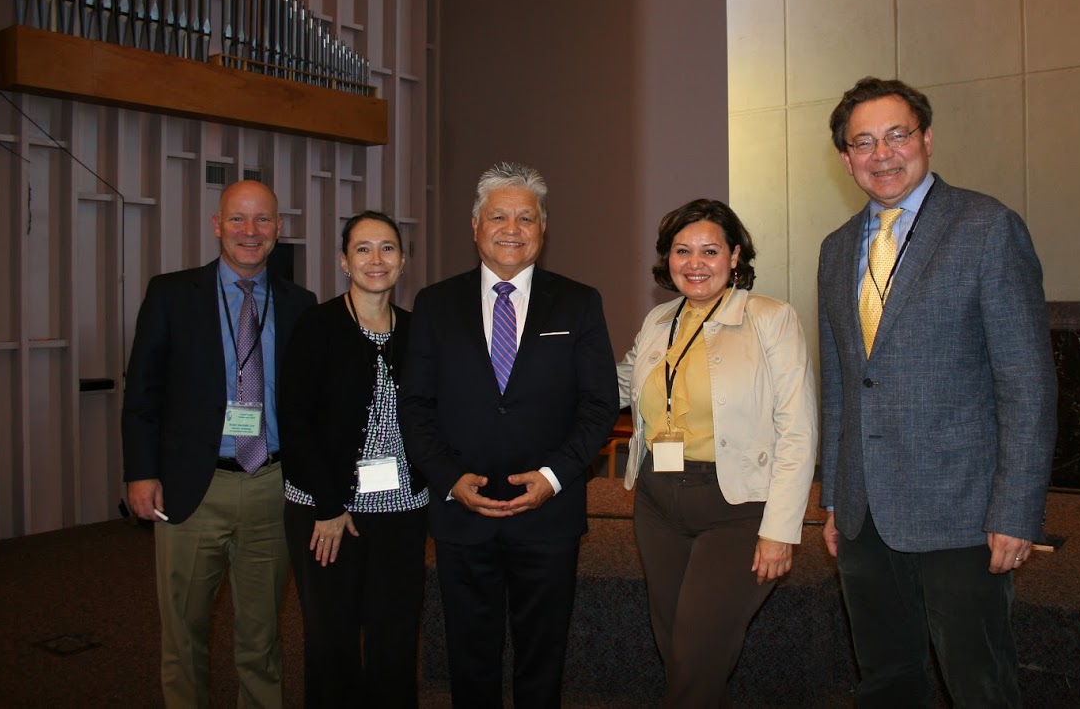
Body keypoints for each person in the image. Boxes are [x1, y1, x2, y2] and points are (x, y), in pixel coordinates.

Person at [818, 76, 1058, 707]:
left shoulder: (986, 227)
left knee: (978, 683)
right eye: (863, 142)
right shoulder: (837, 248)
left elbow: (1028, 384)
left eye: (897, 134)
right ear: (845, 158)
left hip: (963, 512)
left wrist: (1016, 511)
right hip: (865, 512)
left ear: (926, 138)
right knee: (886, 679)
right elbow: (843, 385)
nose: (882, 153)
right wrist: (838, 499)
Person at [400, 161, 617, 707]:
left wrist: (552, 477)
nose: (512, 228)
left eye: (526, 217)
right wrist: (449, 479)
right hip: (460, 513)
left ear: (543, 230)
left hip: (548, 514)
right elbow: (415, 406)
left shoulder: (579, 302)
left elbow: (598, 406)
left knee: (542, 657)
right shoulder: (434, 304)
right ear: (475, 226)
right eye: (498, 215)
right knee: (468, 658)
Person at [121, 180, 317, 707]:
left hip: (270, 488)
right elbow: (142, 390)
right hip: (192, 488)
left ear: (277, 230)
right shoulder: (170, 293)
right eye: (237, 219)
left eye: (262, 221)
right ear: (217, 225)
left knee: (262, 637)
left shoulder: (302, 304)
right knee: (183, 634)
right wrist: (141, 472)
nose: (249, 232)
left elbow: (311, 402)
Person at [617, 199, 817, 707]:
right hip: (658, 503)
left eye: (710, 250)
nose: (695, 263)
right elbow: (620, 385)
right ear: (668, 259)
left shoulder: (770, 318)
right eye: (682, 251)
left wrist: (780, 530)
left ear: (735, 256)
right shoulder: (660, 319)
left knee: (696, 650)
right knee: (679, 651)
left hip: (737, 509)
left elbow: (798, 429)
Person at [279, 210, 429, 706]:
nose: (376, 259)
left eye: (387, 247)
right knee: (332, 640)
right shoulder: (317, 325)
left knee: (395, 639)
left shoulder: (417, 331)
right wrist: (328, 506)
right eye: (363, 248)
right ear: (344, 261)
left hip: (401, 510)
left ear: (403, 261)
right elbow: (295, 421)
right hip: (327, 511)